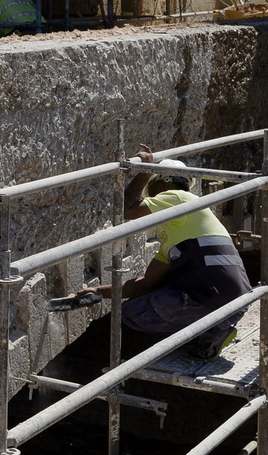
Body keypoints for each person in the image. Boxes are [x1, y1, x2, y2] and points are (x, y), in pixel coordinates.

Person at [78, 148, 252, 360]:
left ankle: (211, 332)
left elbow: (127, 209)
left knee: (135, 313)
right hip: (231, 299)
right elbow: (144, 284)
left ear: (161, 183)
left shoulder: (178, 198)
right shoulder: (179, 234)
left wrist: (144, 171)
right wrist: (98, 291)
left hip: (215, 298)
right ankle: (210, 336)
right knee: (149, 298)